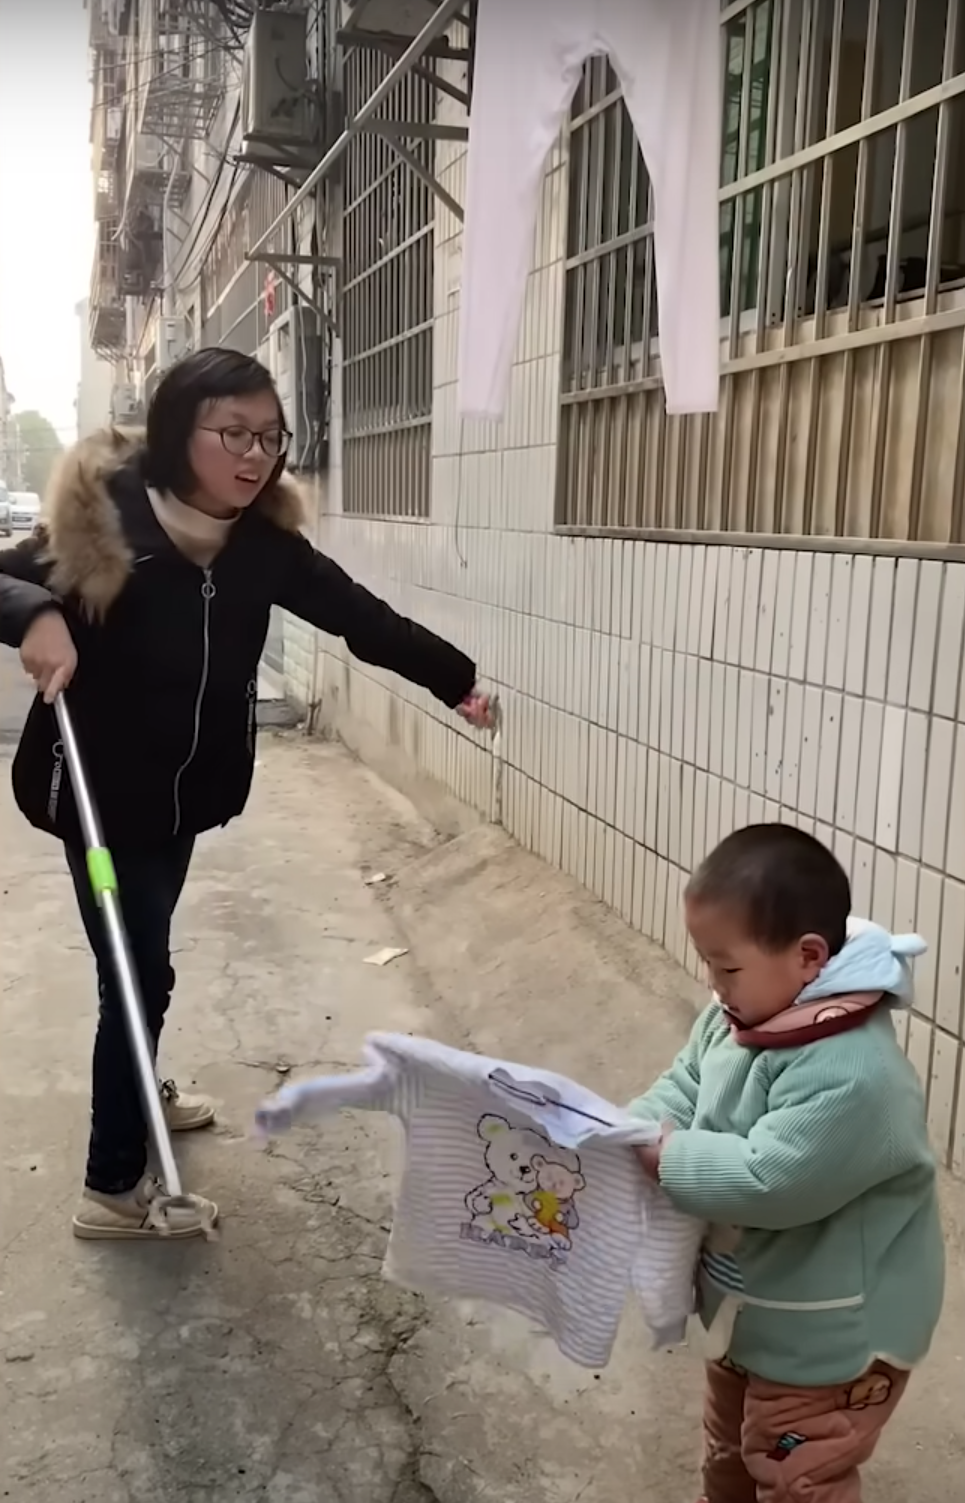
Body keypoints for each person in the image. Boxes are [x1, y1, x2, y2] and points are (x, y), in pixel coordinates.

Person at [0, 348, 491, 1243]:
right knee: (136, 970)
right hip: (100, 795)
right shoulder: (99, 525)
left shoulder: (263, 545)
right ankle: (112, 1185)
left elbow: (360, 616)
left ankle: (140, 1084)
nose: (256, 454)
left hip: (185, 793)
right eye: (234, 433)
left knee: (145, 964)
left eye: (271, 436)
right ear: (180, 431)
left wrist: (451, 679)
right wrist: (34, 615)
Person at [629, 824, 944, 1503]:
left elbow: (771, 1176)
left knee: (797, 1473)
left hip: (833, 1340)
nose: (713, 984)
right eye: (708, 963)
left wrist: (667, 1155)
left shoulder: (853, 1071)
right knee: (729, 1446)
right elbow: (686, 1081)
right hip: (753, 1312)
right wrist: (629, 1125)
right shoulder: (739, 1014)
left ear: (807, 957)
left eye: (727, 966)